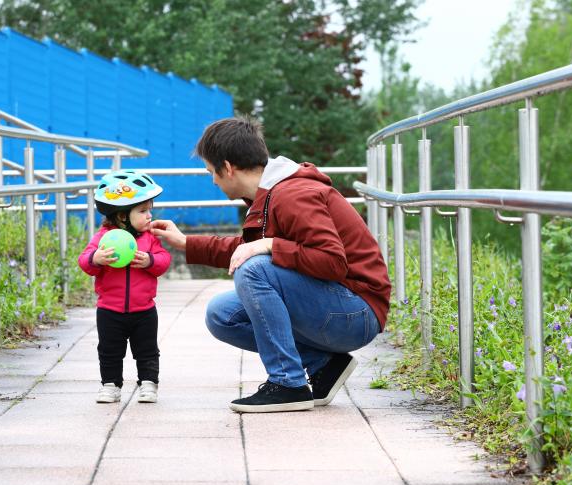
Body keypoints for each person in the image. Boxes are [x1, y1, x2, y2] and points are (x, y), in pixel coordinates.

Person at [151, 117, 390, 413]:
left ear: (227, 168)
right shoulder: (269, 194)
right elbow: (246, 248)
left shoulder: (292, 195)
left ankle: (288, 384)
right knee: (222, 314)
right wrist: (187, 243)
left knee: (252, 269)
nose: (213, 180)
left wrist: (269, 244)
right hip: (336, 305)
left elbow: (332, 261)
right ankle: (324, 365)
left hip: (357, 313)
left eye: (212, 172)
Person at [78, 170, 171, 404]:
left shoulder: (149, 238)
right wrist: (96, 259)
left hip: (144, 310)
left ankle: (149, 384)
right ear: (121, 216)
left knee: (147, 350)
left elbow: (164, 261)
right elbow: (85, 261)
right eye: (142, 211)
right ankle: (110, 385)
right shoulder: (103, 237)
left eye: (150, 209)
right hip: (110, 310)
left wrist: (150, 260)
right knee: (109, 351)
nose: (149, 215)